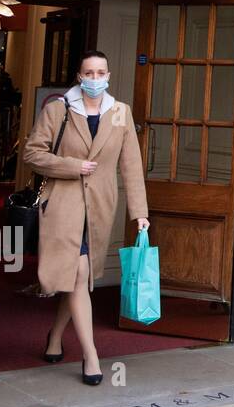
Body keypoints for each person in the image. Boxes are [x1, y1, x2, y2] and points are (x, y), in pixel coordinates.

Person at [23, 50, 149, 385]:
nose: (95, 79)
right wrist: (71, 166)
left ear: (108, 75)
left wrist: (140, 214)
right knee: (78, 272)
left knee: (77, 275)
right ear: (79, 76)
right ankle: (90, 355)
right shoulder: (58, 109)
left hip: (100, 206)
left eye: (101, 73)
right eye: (89, 73)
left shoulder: (120, 113)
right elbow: (32, 153)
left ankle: (54, 336)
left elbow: (131, 166)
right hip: (62, 203)